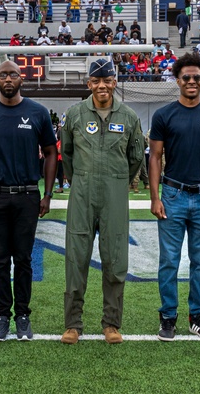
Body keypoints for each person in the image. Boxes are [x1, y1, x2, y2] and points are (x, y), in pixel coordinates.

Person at [0, 60, 58, 341]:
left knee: (24, 259)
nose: (8, 79)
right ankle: (1, 316)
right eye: (2, 75)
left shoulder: (37, 112)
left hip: (27, 195)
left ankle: (22, 315)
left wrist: (47, 194)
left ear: (22, 79)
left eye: (13, 74)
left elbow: (51, 152)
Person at [60, 58, 144, 344]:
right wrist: (80, 179)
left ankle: (111, 323)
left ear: (114, 82)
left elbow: (136, 159)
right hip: (82, 192)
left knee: (115, 259)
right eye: (96, 81)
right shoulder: (74, 114)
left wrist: (116, 179)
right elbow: (67, 156)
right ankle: (73, 324)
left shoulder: (130, 117)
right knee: (76, 258)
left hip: (115, 193)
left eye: (107, 80)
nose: (102, 86)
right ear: (89, 84)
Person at [148, 52, 200, 341]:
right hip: (173, 194)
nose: (191, 81)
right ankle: (168, 316)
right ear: (178, 80)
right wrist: (155, 197)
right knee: (169, 260)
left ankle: (198, 317)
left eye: (196, 77)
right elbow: (155, 158)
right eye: (186, 77)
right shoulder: (164, 115)